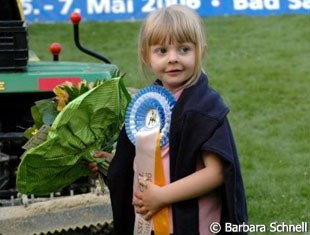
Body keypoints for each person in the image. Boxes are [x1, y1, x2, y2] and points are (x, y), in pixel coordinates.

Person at [91, 5, 248, 235]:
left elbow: (217, 172)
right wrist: (113, 164)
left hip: (193, 226)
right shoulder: (147, 103)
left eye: (184, 49)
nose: (173, 58)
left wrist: (162, 196)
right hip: (152, 223)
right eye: (162, 51)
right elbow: (155, 158)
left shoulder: (204, 107)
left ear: (200, 51)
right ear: (147, 55)